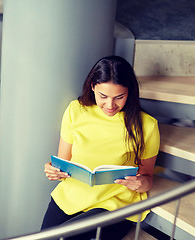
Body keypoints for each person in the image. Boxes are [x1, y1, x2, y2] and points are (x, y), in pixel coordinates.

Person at [41, 55, 160, 240]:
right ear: (93, 87)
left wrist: (140, 183)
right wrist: (53, 170)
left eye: (119, 97)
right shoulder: (76, 110)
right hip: (72, 195)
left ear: (130, 92)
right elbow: (63, 161)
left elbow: (147, 180)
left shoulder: (147, 126)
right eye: (103, 96)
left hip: (115, 203)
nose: (110, 105)